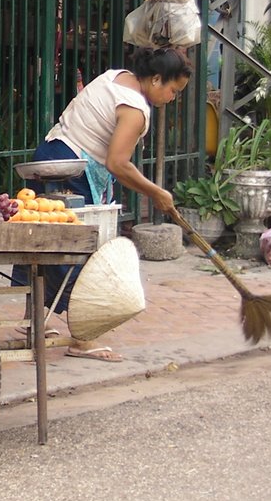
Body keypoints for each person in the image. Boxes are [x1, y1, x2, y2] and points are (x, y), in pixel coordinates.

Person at [13, 46, 193, 362]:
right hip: (72, 168)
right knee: (82, 250)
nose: (172, 98)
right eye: (173, 90)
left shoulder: (116, 77)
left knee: (43, 240)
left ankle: (33, 324)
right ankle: (83, 338)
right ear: (155, 79)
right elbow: (117, 163)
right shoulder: (136, 109)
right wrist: (156, 193)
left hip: (50, 153)